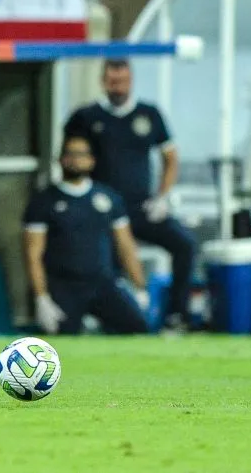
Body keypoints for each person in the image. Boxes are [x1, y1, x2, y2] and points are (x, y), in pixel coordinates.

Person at [63, 59, 197, 332]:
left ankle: (176, 315)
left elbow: (170, 158)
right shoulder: (86, 117)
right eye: (113, 81)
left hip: (141, 208)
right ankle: (108, 320)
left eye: (123, 81)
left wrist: (162, 197)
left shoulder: (149, 114)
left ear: (132, 81)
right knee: (105, 267)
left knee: (185, 245)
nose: (118, 87)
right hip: (103, 212)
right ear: (103, 82)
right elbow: (70, 156)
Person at [23, 135, 149, 336]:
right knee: (59, 339)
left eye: (81, 154)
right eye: (70, 154)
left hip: (103, 283)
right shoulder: (43, 201)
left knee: (138, 327)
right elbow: (33, 254)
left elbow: (125, 245)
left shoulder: (108, 197)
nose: (76, 160)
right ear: (61, 159)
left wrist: (140, 287)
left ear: (92, 160)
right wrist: (41, 298)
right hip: (64, 287)